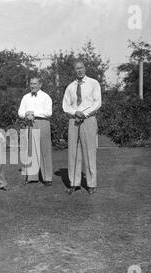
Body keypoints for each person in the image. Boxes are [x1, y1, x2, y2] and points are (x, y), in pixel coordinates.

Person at [62, 60, 102, 195]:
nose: (79, 70)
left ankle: (91, 184)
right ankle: (74, 183)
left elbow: (97, 103)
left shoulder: (93, 83)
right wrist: (75, 113)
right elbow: (65, 105)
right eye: (76, 68)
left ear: (85, 68)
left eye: (81, 68)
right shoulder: (70, 87)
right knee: (73, 152)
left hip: (88, 120)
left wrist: (83, 114)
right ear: (74, 70)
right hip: (74, 120)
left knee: (90, 151)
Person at [18, 77, 53, 186]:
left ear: (40, 85)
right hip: (29, 123)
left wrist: (33, 113)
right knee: (31, 151)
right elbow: (20, 112)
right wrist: (26, 114)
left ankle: (47, 177)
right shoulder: (25, 97)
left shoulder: (45, 96)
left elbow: (48, 113)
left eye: (35, 84)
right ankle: (32, 177)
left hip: (42, 123)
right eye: (31, 84)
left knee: (44, 150)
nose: (32, 86)